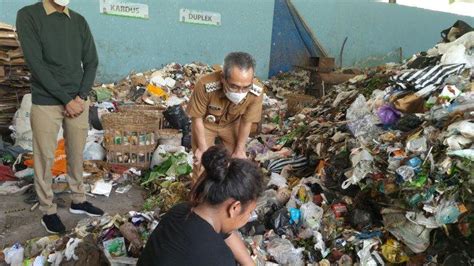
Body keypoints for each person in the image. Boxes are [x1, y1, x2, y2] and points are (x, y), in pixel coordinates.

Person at [16, 0, 103, 234]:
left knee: (76, 152)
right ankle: (48, 210)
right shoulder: (29, 15)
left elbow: (92, 61)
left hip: (77, 100)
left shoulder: (78, 21)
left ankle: (78, 200)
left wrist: (80, 96)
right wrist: (66, 99)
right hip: (46, 101)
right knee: (44, 156)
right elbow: (36, 64)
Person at [138, 146, 264, 266]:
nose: (248, 217)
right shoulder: (219, 259)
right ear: (234, 208)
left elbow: (228, 234)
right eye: (249, 212)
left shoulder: (182, 210)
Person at [187, 52, 264, 180]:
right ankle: (198, 198)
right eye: (234, 86)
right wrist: (202, 149)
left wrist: (240, 149)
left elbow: (247, 122)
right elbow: (197, 118)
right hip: (206, 124)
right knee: (202, 164)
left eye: (245, 87)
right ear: (223, 78)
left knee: (236, 163)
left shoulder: (256, 91)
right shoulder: (205, 85)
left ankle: (228, 196)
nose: (240, 92)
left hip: (232, 124)